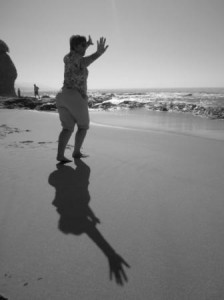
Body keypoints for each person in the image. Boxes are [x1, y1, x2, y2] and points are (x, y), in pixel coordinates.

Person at [56, 35, 108, 163]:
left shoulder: (67, 57)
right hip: (74, 96)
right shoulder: (76, 58)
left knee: (67, 128)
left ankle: (60, 155)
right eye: (82, 45)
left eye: (85, 45)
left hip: (62, 96)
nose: (85, 47)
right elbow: (85, 61)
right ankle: (76, 152)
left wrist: (87, 44)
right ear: (74, 46)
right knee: (83, 127)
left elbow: (79, 57)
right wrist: (98, 53)